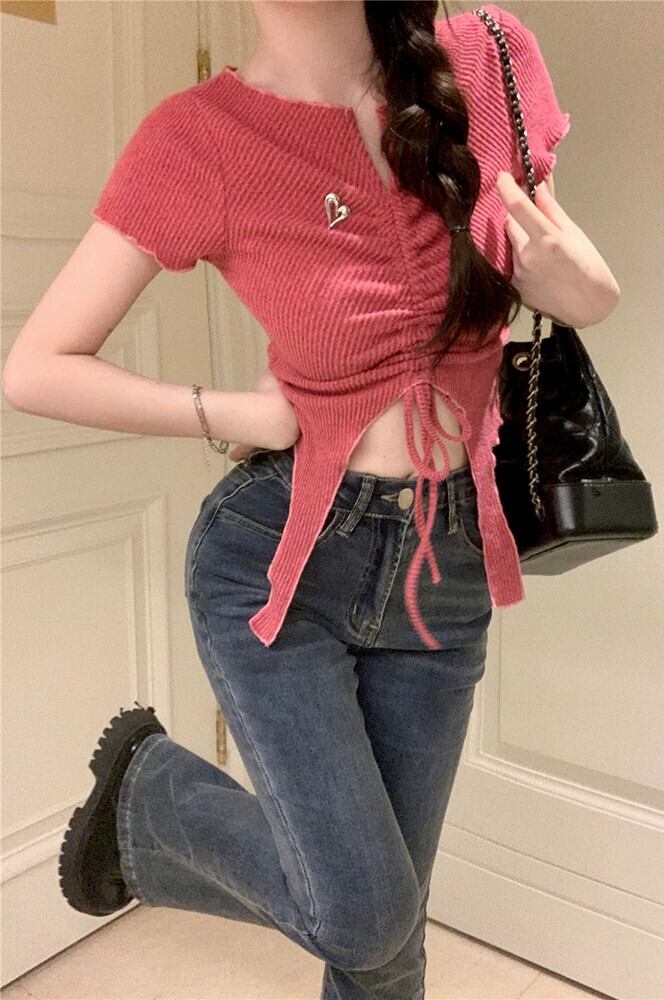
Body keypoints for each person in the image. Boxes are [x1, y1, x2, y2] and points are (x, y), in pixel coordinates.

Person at [3, 2, 620, 998]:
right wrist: (231, 409)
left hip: (449, 564)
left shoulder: (489, 57)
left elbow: (557, 272)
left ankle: (148, 811)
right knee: (367, 917)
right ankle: (150, 801)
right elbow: (35, 366)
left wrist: (590, 292)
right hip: (281, 560)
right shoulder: (200, 139)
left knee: (386, 945)